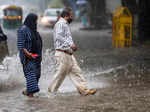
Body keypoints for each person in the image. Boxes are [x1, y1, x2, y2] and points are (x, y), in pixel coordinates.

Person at [48, 7, 96, 95]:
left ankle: (84, 90)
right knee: (61, 74)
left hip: (68, 54)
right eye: (71, 16)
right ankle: (51, 91)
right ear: (66, 16)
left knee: (77, 72)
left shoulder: (65, 24)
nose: (72, 18)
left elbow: (65, 37)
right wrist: (71, 44)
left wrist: (71, 46)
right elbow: (59, 36)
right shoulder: (60, 24)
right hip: (62, 53)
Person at [17, 13, 42, 97]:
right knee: (31, 75)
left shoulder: (33, 30)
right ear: (31, 20)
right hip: (28, 57)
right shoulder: (22, 29)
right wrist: (28, 54)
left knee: (37, 75)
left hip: (36, 57)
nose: (36, 22)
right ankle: (31, 99)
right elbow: (21, 45)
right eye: (35, 20)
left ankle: (28, 92)